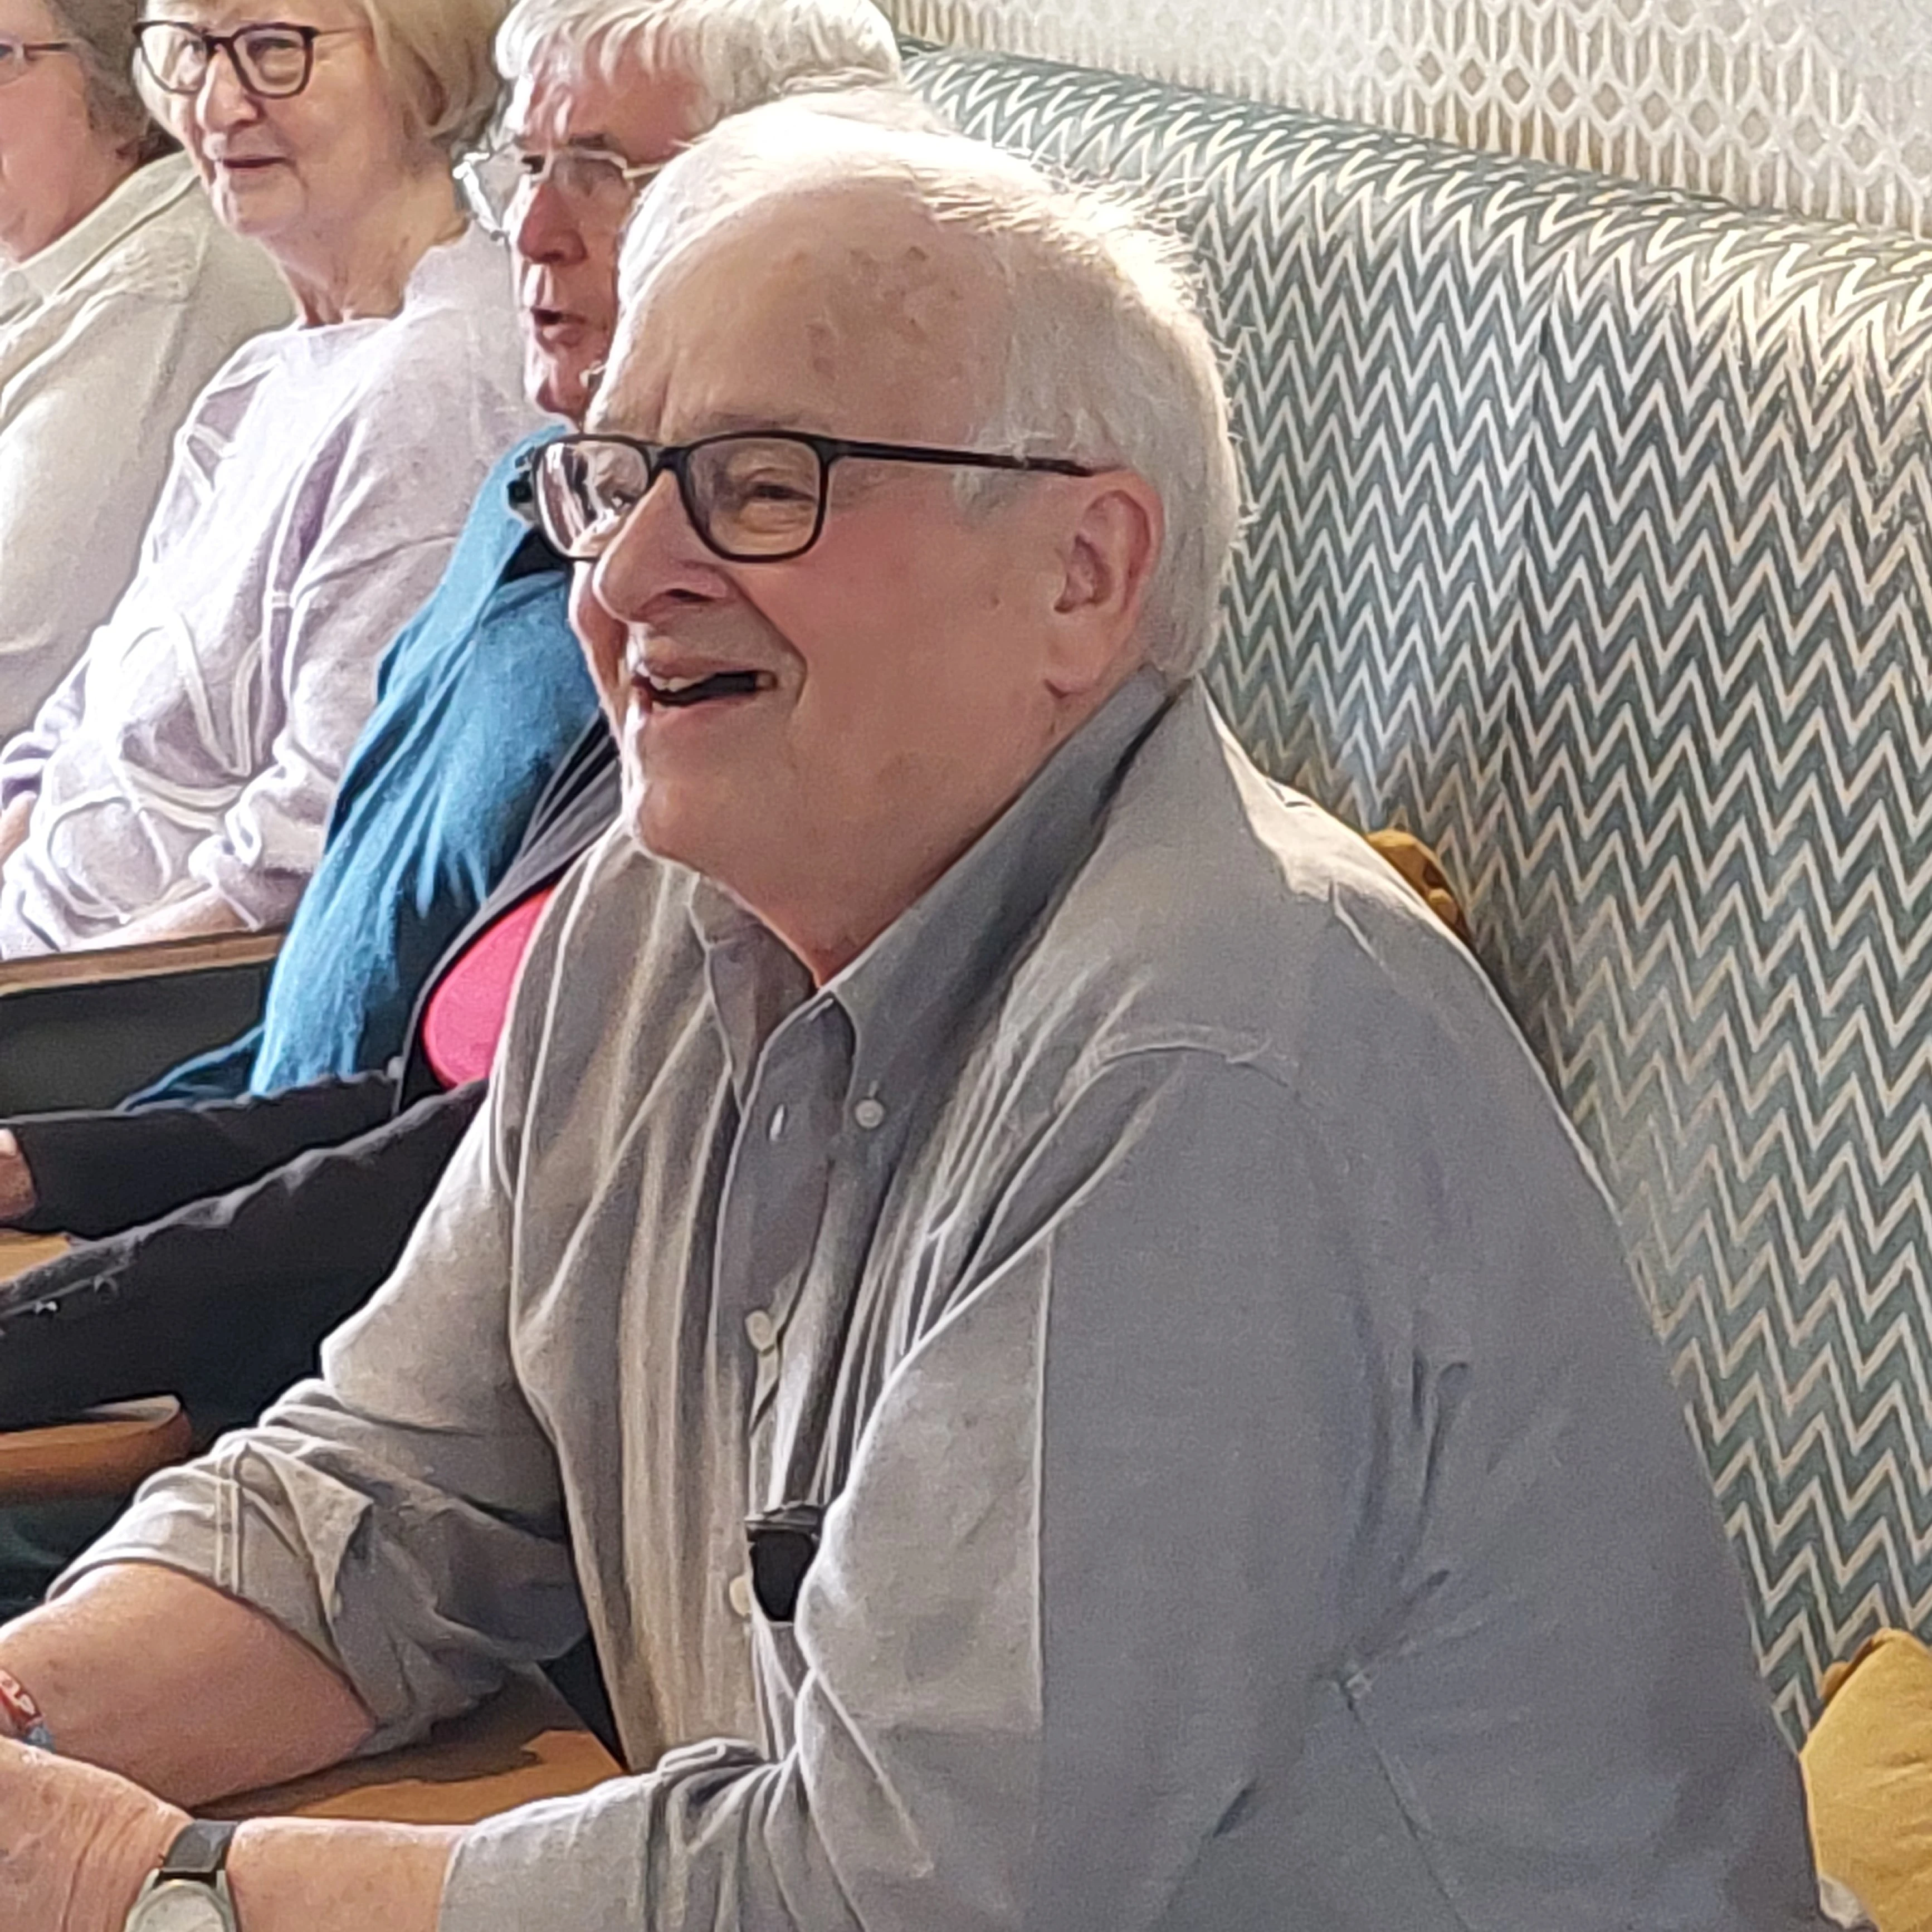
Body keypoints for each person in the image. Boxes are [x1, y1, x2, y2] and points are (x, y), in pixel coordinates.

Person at [0, 103, 1837, 1932]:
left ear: (1079, 572)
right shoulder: (652, 920)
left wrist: (155, 1887)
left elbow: (888, 1892)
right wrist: (27, 1724)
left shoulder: (1209, 1067)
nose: (628, 575)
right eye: (614, 475)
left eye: (760, 482)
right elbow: (389, 1498)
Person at [0, 0, 904, 1616]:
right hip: (279, 1328)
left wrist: (69, 1296)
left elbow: (490, 1164)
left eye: (612, 176)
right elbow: (395, 1066)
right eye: (531, 162)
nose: (534, 234)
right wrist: (50, 1178)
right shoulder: (552, 514)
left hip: (377, 1431)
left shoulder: (738, 662)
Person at [0, 0, 536, 959]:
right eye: (191, 50)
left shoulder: (439, 383)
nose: (218, 102)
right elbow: (75, 730)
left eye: (274, 50)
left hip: (106, 1012)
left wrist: (44, 990)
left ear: (423, 67)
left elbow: (299, 849)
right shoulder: (265, 375)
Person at [0, 0, 291, 742]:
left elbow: (17, 650)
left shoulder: (162, 282)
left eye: (0, 57)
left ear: (125, 94)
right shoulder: (48, 262)